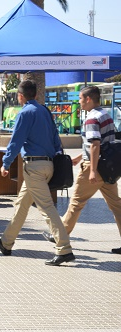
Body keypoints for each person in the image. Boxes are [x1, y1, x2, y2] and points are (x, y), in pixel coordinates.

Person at [0, 80, 75, 266]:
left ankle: (64, 249)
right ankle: (6, 243)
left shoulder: (25, 113)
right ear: (36, 95)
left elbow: (16, 141)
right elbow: (56, 137)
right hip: (48, 165)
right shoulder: (45, 111)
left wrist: (5, 164)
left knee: (46, 207)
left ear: (20, 96)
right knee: (22, 204)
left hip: (33, 167)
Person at [42, 85, 121, 254]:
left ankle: (59, 235)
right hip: (108, 169)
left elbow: (95, 145)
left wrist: (91, 170)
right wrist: (80, 156)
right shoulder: (106, 115)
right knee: (117, 206)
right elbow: (102, 143)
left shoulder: (92, 118)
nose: (79, 102)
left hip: (94, 168)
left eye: (80, 99)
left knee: (76, 203)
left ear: (88, 99)